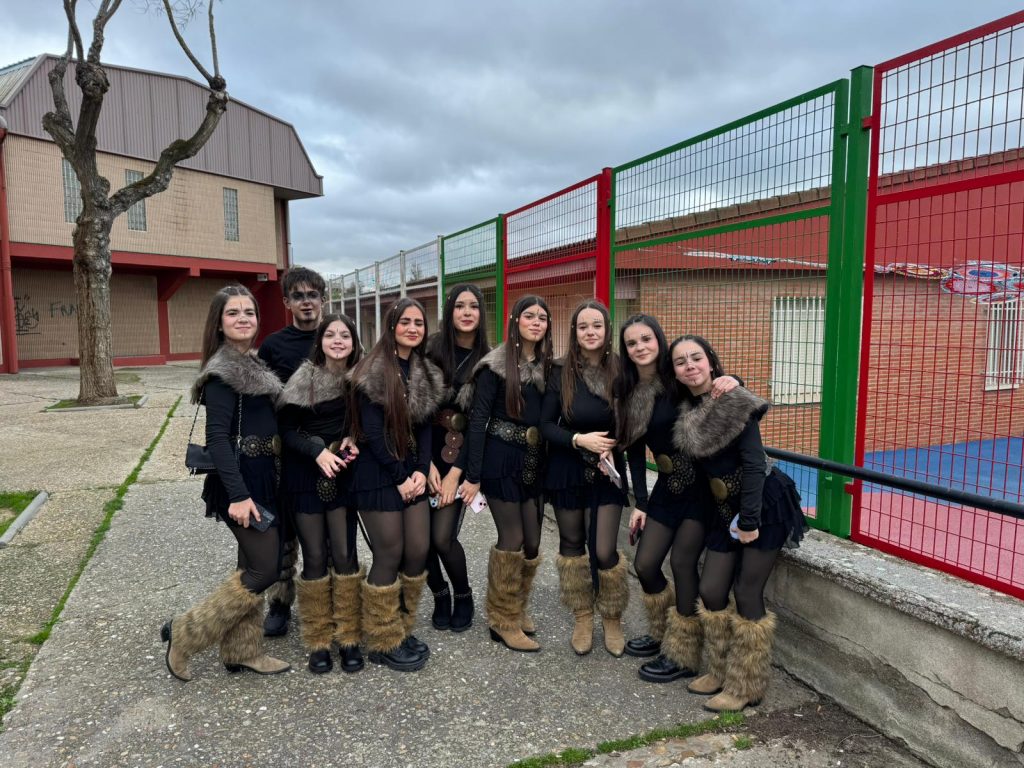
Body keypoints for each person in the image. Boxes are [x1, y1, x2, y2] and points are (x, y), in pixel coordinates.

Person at [160, 284, 290, 682]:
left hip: (264, 476)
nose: (243, 319)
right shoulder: (222, 372)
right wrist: (238, 495)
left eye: (249, 312)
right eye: (233, 313)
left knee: (249, 564)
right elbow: (217, 438)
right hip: (241, 482)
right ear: (219, 323)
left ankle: (242, 651)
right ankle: (186, 634)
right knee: (266, 569)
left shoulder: (251, 363)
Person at [670, 334, 805, 711]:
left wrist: (749, 520)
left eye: (696, 358)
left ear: (711, 362)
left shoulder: (733, 400)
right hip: (722, 508)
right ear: (675, 373)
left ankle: (746, 686)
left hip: (762, 504)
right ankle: (718, 670)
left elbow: (753, 464)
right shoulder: (685, 407)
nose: (690, 366)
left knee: (747, 591)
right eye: (680, 362)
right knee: (711, 590)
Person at [615, 315, 737, 684]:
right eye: (632, 343)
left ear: (659, 340)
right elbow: (635, 453)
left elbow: (713, 388)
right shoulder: (629, 391)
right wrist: (640, 502)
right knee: (645, 564)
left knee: (683, 563)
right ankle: (663, 631)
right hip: (667, 488)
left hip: (700, 489)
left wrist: (735, 380)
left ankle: (683, 654)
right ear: (625, 350)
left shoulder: (677, 379)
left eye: (646, 339)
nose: (640, 347)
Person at [347, 298, 444, 672]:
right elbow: (372, 432)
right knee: (389, 552)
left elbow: (425, 427)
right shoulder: (372, 369)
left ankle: (400, 627)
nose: (413, 328)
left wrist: (420, 470)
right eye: (406, 322)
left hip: (411, 471)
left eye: (419, 323)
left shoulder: (424, 371)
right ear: (391, 326)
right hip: (378, 472)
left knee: (417, 550)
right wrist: (399, 476)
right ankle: (382, 639)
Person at [460, 294, 552, 653]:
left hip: (534, 461)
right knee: (511, 538)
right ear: (515, 321)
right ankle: (502, 620)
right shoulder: (494, 366)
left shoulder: (549, 366)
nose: (536, 322)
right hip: (500, 460)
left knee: (533, 543)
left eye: (542, 317)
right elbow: (477, 421)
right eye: (529, 316)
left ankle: (516, 606)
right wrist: (473, 475)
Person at [540, 299, 629, 657]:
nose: (590, 332)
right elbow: (545, 425)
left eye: (597, 325)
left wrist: (614, 445)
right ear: (574, 332)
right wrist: (579, 439)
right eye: (583, 326)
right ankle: (582, 616)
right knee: (572, 543)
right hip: (567, 467)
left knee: (604, 549)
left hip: (607, 469)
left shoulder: (622, 370)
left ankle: (612, 616)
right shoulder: (560, 371)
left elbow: (636, 419)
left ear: (607, 330)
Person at [277, 314, 364, 674]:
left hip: (344, 476)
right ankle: (318, 639)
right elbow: (285, 430)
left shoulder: (361, 379)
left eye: (345, 335)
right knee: (314, 556)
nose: (338, 340)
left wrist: (355, 438)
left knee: (344, 555)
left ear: (354, 342)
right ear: (321, 342)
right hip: (306, 476)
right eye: (331, 334)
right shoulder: (304, 378)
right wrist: (316, 451)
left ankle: (349, 636)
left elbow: (370, 424)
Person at [259, 266, 328, 638]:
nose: (306, 302)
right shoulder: (273, 346)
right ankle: (280, 602)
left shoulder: (337, 335)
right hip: (287, 449)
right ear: (287, 302)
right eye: (298, 296)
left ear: (323, 299)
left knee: (328, 534)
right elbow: (264, 402)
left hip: (330, 450)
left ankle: (326, 599)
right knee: (285, 532)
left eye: (312, 295)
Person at [424, 284, 490, 633]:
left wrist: (456, 474)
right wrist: (424, 464)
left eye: (473, 306)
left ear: (481, 313)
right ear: (449, 311)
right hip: (423, 452)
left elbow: (480, 424)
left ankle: (463, 594)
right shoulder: (430, 349)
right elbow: (415, 413)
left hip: (460, 456)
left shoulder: (489, 359)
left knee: (441, 538)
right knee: (418, 541)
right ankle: (439, 594)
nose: (466, 312)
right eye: (460, 306)